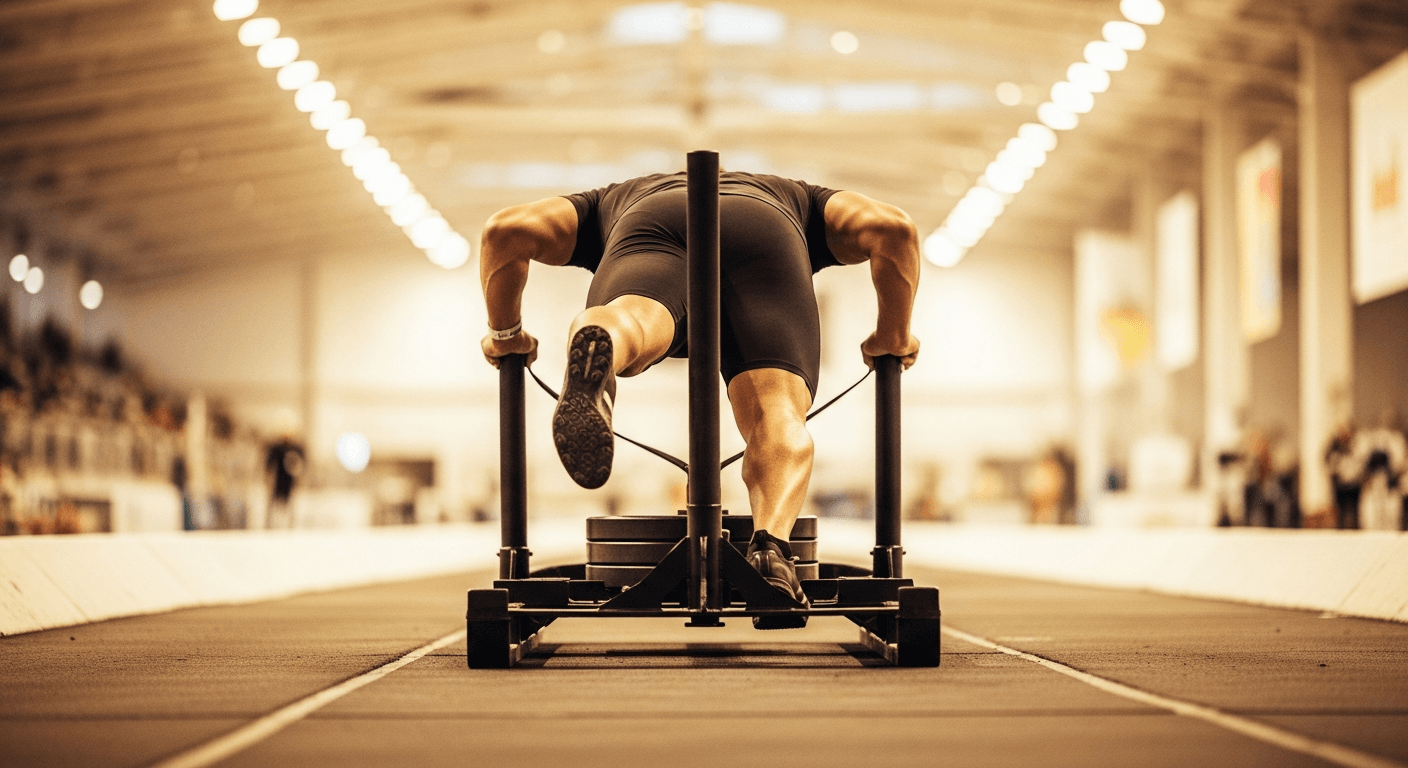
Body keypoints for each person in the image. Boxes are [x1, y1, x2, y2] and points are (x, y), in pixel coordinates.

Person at [478, 169, 920, 619]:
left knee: (633, 320)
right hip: (768, 230)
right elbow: (893, 229)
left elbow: (506, 231)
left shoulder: (610, 202)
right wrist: (893, 335)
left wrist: (506, 335)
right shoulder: (801, 199)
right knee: (778, 412)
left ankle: (603, 337)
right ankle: (771, 556)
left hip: (650, 223)